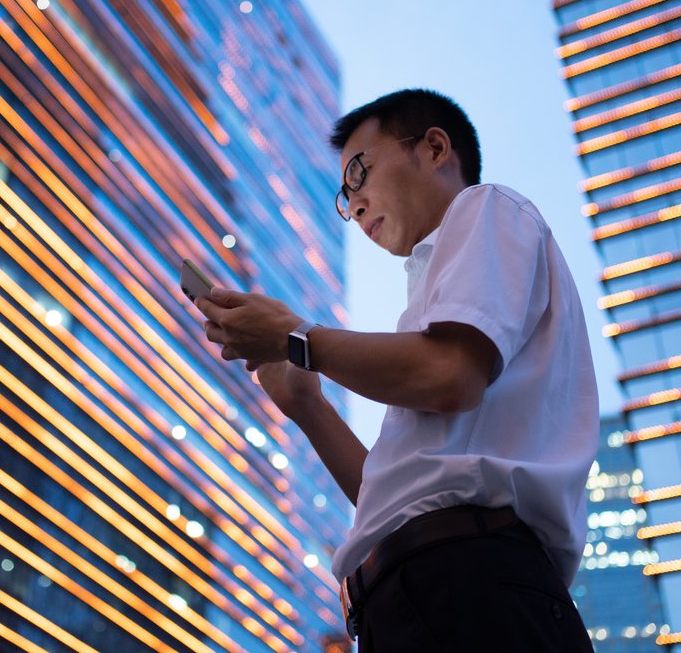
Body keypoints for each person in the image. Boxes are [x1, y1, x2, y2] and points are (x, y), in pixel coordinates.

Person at [195, 89, 598, 652]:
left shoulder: (488, 206)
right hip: (426, 592)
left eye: (358, 174)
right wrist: (308, 406)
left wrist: (297, 339)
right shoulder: (436, 298)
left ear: (434, 148)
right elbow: (397, 500)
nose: (354, 205)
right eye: (345, 197)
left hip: (469, 582)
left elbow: (450, 377)